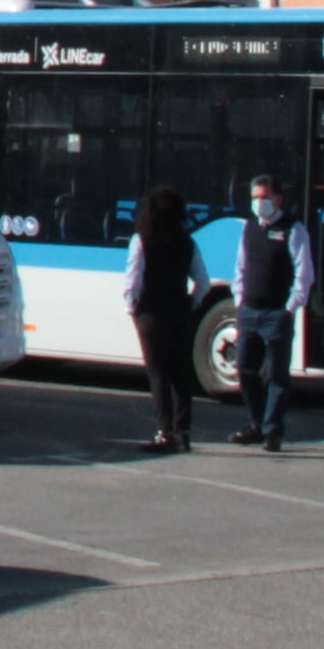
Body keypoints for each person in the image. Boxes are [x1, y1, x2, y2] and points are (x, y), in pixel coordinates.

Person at [229, 171, 318, 450]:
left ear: (277, 199)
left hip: (276, 313)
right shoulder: (249, 228)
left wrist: (290, 309)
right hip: (249, 311)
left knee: (277, 374)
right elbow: (240, 269)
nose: (259, 203)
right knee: (245, 369)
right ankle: (256, 422)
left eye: (264, 198)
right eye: (255, 198)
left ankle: (272, 431)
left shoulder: (294, 230)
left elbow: (304, 274)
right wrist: (239, 300)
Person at [124, 185, 203, 453]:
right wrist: (192, 302)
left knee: (157, 372)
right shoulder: (187, 242)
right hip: (179, 310)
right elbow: (202, 281)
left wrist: (132, 307)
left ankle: (164, 431)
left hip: (150, 312)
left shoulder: (141, 240)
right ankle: (184, 432)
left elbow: (133, 280)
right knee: (180, 371)